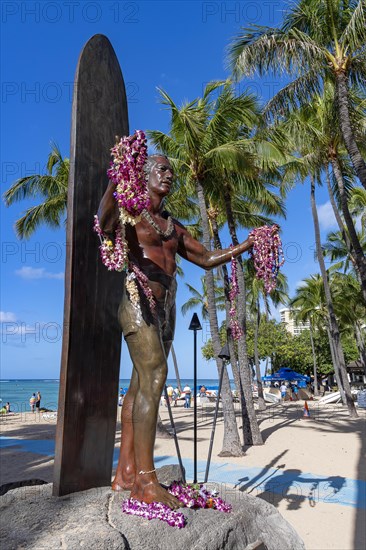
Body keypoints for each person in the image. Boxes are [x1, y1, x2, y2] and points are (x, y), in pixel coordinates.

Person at [98, 154, 255, 508]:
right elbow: (104, 221)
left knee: (141, 384)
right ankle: (145, 482)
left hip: (166, 308)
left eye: (172, 171)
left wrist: (244, 246)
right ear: (145, 174)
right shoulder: (130, 213)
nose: (169, 175)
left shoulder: (172, 225)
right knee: (155, 376)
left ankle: (125, 473)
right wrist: (116, 178)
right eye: (162, 169)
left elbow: (205, 258)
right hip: (138, 301)